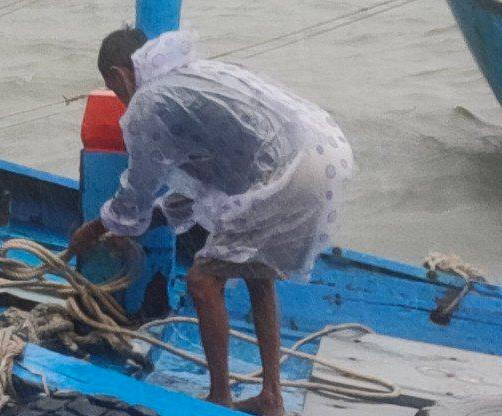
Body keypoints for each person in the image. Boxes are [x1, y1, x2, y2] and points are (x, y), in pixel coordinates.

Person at [66, 28, 353, 413]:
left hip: (289, 172)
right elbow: (190, 195)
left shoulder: (149, 102)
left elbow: (137, 190)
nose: (121, 101)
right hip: (321, 155)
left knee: (202, 281)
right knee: (258, 275)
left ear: (119, 76)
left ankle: (219, 398)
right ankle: (271, 398)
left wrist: (95, 228)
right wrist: (125, 224)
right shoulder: (193, 79)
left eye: (115, 90)